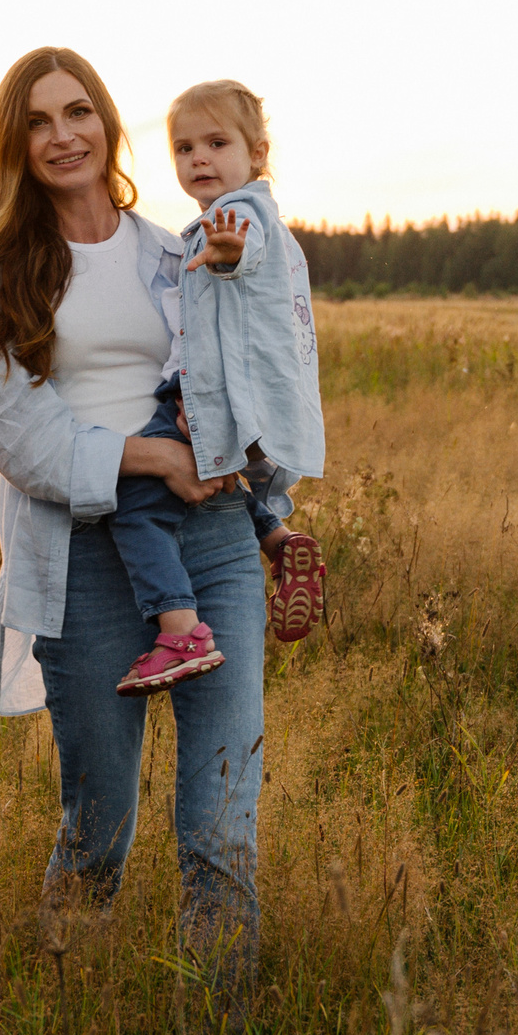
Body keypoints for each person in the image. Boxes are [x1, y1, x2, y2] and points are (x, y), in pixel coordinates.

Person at [0, 46, 264, 1013]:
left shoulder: (178, 252)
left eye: (78, 112)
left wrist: (271, 507)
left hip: (212, 537)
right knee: (100, 820)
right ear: (16, 143)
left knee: (221, 807)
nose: (63, 135)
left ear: (108, 123)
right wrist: (149, 456)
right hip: (81, 550)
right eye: (38, 122)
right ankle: (65, 1016)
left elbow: (249, 371)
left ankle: (217, 1031)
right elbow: (4, 426)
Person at [104, 80, 328, 695]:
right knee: (219, 478)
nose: (197, 158)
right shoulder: (227, 219)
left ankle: (179, 631)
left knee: (134, 503)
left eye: (216, 142)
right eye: (183, 147)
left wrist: (228, 252)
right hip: (229, 401)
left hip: (203, 396)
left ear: (257, 154)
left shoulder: (238, 218)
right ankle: (278, 539)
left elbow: (241, 252)